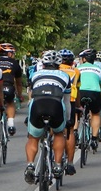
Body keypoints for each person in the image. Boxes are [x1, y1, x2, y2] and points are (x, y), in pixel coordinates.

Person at [23, 50, 71, 184]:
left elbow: (31, 98)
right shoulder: (65, 76)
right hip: (55, 105)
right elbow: (67, 101)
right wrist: (67, 119)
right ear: (59, 65)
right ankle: (57, 165)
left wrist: (29, 117)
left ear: (43, 64)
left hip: (38, 105)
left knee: (33, 138)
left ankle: (30, 165)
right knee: (59, 134)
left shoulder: (35, 75)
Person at [75, 49, 101, 149]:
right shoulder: (99, 69)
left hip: (81, 92)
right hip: (94, 93)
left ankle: (75, 131)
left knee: (76, 112)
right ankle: (94, 138)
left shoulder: (77, 68)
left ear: (84, 59)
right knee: (96, 114)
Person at [57, 48, 80, 175]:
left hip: (54, 100)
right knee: (69, 131)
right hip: (70, 101)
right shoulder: (76, 71)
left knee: (55, 130)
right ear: (72, 61)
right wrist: (79, 106)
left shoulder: (55, 70)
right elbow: (77, 89)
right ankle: (70, 163)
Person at [0, 43, 23, 136]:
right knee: (10, 103)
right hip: (8, 86)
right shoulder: (14, 63)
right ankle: (11, 124)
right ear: (9, 53)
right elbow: (19, 82)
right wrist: (19, 95)